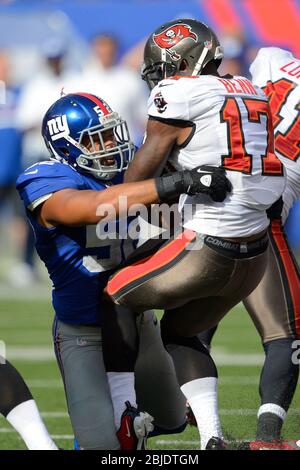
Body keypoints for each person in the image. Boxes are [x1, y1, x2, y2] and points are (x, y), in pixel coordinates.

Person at [106, 19, 286, 450]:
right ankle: (212, 440)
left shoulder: (177, 94)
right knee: (182, 332)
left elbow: (139, 181)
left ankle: (123, 416)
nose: (161, 75)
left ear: (188, 60)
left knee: (110, 294)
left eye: (168, 65)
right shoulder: (248, 87)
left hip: (209, 247)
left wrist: (151, 185)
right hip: (255, 254)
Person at [16, 92, 230, 450]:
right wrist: (172, 183)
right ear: (67, 148)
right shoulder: (47, 179)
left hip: (137, 322)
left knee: (171, 417)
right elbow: (91, 207)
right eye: (98, 139)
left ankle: (138, 419)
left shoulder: (130, 176)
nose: (112, 145)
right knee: (104, 447)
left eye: (112, 134)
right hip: (82, 330)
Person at [198, 47, 300, 450]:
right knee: (287, 332)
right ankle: (268, 437)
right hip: (265, 207)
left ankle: (183, 402)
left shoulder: (275, 59)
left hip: (218, 192)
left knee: (197, 307)